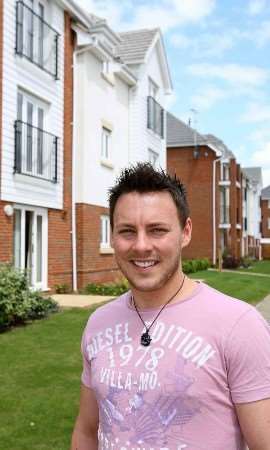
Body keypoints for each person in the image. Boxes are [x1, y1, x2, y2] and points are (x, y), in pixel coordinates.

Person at [70, 163, 270, 450]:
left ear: (185, 232)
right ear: (112, 236)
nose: (141, 246)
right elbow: (87, 431)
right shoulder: (98, 323)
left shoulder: (239, 325)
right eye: (127, 231)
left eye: (157, 230)